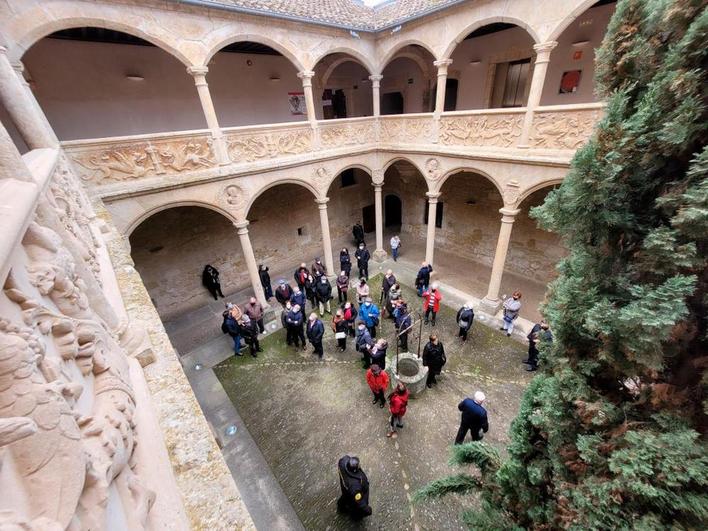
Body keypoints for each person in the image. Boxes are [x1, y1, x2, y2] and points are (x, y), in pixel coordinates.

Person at [337, 455, 372, 520]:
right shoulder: (355, 487)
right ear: (354, 470)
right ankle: (355, 517)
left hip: (346, 490)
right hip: (353, 495)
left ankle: (341, 507)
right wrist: (367, 510)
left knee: (345, 498)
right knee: (355, 509)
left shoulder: (343, 462)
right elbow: (360, 502)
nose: (359, 465)